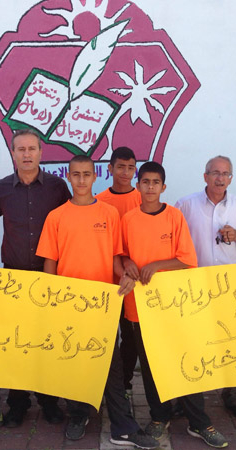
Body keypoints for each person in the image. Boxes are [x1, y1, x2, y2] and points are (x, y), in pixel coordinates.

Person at [37, 155, 158, 449]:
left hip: (102, 304)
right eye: (76, 174)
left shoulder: (109, 214)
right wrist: (53, 301)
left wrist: (125, 275)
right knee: (74, 363)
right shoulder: (56, 216)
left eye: (86, 174)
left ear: (95, 177)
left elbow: (116, 259)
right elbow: (50, 264)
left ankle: (122, 427)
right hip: (68, 303)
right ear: (68, 176)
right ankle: (78, 415)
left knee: (111, 365)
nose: (81, 180)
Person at [121, 161, 228, 448]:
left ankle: (199, 422)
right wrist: (127, 262)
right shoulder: (128, 219)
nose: (150, 187)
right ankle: (159, 417)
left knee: (185, 360)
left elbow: (187, 260)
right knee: (150, 365)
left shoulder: (174, 217)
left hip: (174, 305)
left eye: (155, 182)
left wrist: (156, 265)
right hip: (140, 306)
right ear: (138, 186)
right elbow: (120, 254)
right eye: (145, 182)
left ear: (163, 187)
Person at [0, 129, 71, 427]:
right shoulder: (1, 189)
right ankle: (18, 404)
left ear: (41, 152)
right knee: (16, 344)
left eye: (32, 149)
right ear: (13, 153)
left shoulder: (57, 187)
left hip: (48, 276)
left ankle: (49, 402)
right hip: (13, 278)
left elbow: (70, 226)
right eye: (21, 149)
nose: (27, 154)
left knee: (47, 342)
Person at [175, 155, 236, 420]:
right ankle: (187, 396)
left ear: (231, 178)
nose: (220, 178)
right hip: (194, 285)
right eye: (215, 173)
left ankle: (233, 395)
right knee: (193, 341)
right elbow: (175, 240)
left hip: (230, 286)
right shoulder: (185, 204)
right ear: (205, 176)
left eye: (225, 174)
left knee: (233, 340)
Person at [96, 146, 141, 394]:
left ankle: (124, 383)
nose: (125, 172)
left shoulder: (143, 199)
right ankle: (101, 382)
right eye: (120, 167)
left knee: (131, 334)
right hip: (106, 278)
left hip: (134, 280)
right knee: (104, 333)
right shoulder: (99, 201)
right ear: (110, 168)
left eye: (130, 168)